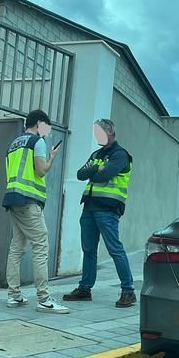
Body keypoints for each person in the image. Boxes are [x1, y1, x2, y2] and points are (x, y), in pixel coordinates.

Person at [63, 119, 136, 308]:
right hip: (89, 207)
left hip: (108, 209)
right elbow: (80, 174)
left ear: (110, 133)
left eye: (100, 133)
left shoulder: (121, 155)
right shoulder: (96, 154)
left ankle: (128, 291)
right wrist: (96, 168)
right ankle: (85, 289)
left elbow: (104, 175)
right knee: (88, 250)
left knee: (115, 250)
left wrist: (93, 170)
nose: (97, 136)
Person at [2, 109, 69, 314]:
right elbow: (41, 170)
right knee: (41, 244)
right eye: (46, 127)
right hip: (29, 201)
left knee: (17, 247)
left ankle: (14, 295)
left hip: (12, 199)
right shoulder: (37, 142)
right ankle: (44, 299)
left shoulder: (13, 145)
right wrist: (51, 158)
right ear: (39, 124)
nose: (47, 132)